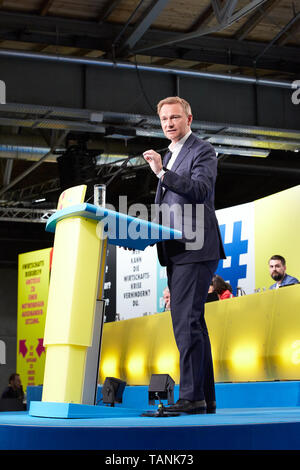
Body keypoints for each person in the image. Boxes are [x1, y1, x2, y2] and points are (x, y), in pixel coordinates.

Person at [143, 96, 225, 414]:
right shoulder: (170, 154)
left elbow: (200, 190)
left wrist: (163, 174)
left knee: (186, 323)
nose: (168, 123)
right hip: (177, 250)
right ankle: (205, 397)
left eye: (175, 117)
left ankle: (191, 398)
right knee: (194, 324)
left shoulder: (201, 150)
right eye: (164, 119)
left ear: (189, 119)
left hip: (195, 247)